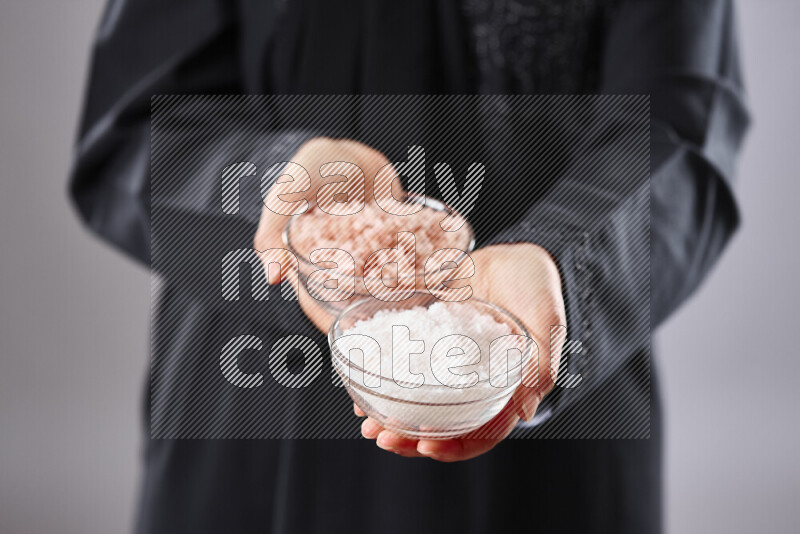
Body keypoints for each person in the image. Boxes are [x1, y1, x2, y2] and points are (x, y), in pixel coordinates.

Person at [69, 1, 749, 532]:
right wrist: (275, 194)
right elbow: (136, 131)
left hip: (542, 380)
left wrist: (565, 263)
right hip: (254, 423)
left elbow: (679, 125)